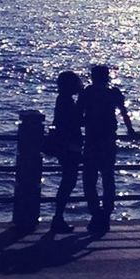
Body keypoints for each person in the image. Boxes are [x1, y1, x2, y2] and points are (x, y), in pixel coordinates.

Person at [80, 64, 137, 233]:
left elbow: (78, 114)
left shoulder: (87, 93)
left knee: (90, 179)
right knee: (108, 178)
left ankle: (95, 213)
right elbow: (124, 113)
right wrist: (130, 130)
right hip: (108, 140)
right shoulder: (113, 93)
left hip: (91, 140)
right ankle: (106, 214)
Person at [49, 70, 84, 233]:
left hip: (64, 145)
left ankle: (58, 217)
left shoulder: (62, 99)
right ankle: (58, 217)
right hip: (70, 146)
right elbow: (77, 120)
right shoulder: (67, 102)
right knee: (68, 181)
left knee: (67, 181)